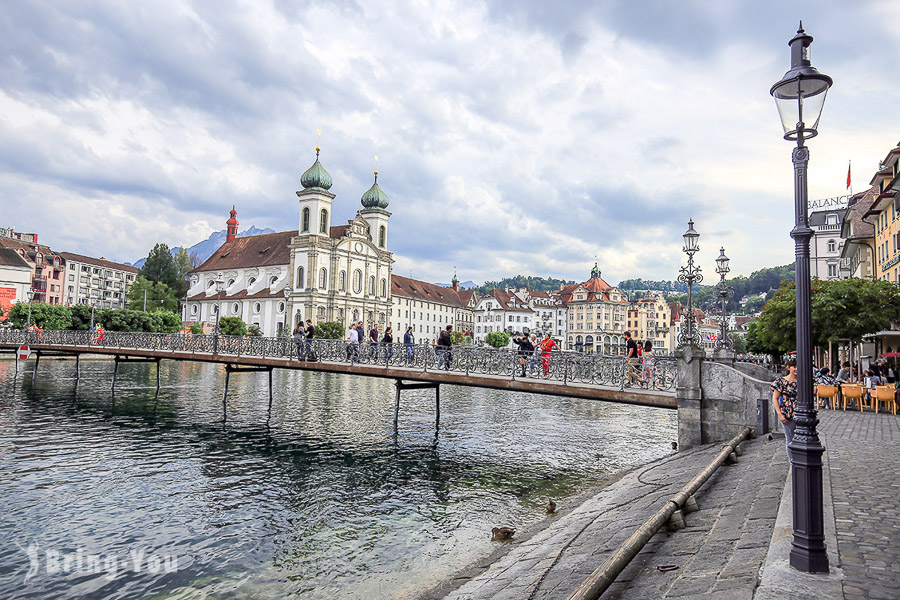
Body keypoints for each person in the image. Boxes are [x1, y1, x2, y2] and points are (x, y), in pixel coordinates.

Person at [771, 358, 798, 462]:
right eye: (794, 366)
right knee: (790, 439)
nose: (796, 369)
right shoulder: (781, 381)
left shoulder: (802, 381)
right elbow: (775, 399)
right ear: (789, 367)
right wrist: (780, 415)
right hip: (787, 412)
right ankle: (793, 461)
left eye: (798, 366)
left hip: (801, 413)